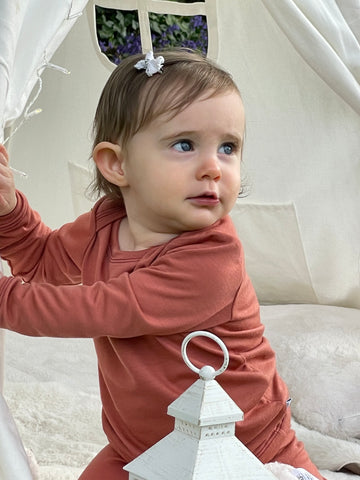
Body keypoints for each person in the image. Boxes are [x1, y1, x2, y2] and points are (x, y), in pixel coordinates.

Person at [0, 49, 323, 480]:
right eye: (184, 145)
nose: (213, 167)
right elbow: (41, 263)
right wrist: (8, 211)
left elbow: (91, 309)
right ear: (117, 164)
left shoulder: (212, 260)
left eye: (228, 147)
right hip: (139, 445)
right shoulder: (105, 224)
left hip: (241, 447)